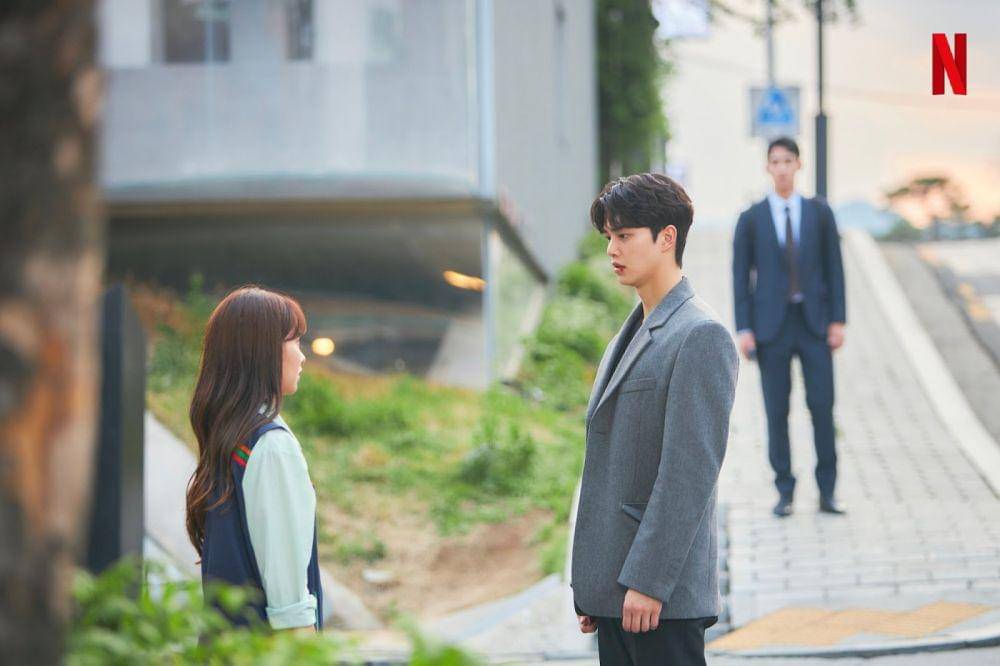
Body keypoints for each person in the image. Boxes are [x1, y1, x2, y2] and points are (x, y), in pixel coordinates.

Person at [571, 173, 739, 665]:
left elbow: (690, 473)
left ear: (667, 238)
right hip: (617, 595)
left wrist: (648, 581)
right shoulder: (627, 335)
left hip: (659, 599)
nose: (612, 250)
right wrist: (595, 583)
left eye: (625, 236)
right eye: (609, 237)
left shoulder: (700, 335)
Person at [185, 285, 323, 632]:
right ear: (263, 352)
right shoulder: (271, 447)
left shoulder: (231, 441)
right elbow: (290, 611)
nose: (302, 356)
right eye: (294, 342)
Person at [732, 136, 847, 518]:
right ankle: (785, 491)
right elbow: (740, 276)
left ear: (799, 165)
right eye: (775, 161)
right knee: (776, 411)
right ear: (768, 167)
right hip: (771, 329)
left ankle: (828, 491)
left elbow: (834, 268)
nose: (781, 168)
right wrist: (744, 328)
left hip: (814, 325)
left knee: (822, 407)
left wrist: (837, 320)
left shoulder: (819, 213)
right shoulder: (752, 218)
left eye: (788, 161)